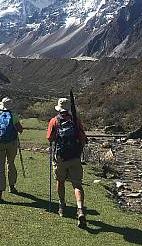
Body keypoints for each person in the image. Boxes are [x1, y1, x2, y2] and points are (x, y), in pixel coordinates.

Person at [46, 97, 88, 228]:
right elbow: (82, 139)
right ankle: (80, 209)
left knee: (60, 181)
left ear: (59, 108)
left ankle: (61, 206)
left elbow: (49, 138)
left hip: (61, 157)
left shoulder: (54, 120)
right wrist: (79, 151)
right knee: (77, 185)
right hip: (75, 157)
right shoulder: (76, 121)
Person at [0, 97, 23, 202]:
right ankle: (12, 186)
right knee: (11, 163)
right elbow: (20, 130)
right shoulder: (14, 116)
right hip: (12, 143)